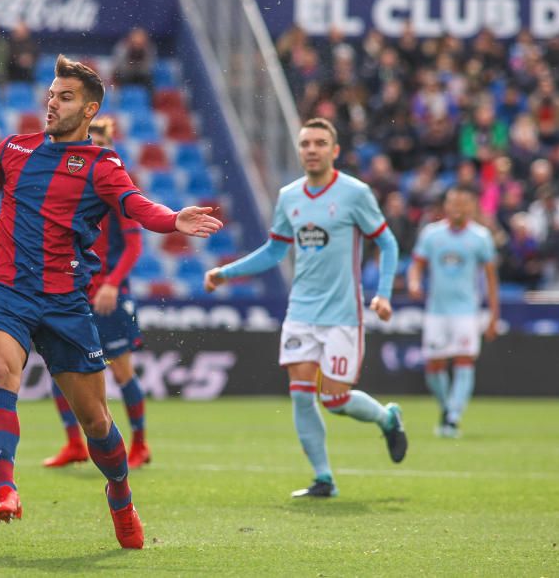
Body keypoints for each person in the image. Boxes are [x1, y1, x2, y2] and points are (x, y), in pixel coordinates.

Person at [0, 55, 222, 549]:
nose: (53, 103)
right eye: (52, 95)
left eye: (66, 97)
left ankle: (120, 494)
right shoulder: (15, 149)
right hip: (6, 289)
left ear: (90, 109)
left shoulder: (102, 165)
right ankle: (5, 489)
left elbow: (138, 207)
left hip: (65, 302)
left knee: (96, 421)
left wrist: (171, 220)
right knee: (2, 372)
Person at [204, 117, 407, 499]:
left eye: (318, 143)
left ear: (334, 151)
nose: (311, 149)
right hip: (301, 312)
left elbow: (389, 244)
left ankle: (386, 417)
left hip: (343, 314)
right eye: (305, 143)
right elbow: (275, 251)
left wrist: (383, 294)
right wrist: (226, 272)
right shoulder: (289, 196)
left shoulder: (355, 193)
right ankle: (323, 478)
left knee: (334, 400)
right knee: (300, 393)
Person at [42, 117, 151, 471]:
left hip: (109, 294)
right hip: (74, 291)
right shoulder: (73, 186)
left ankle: (140, 444)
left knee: (121, 371)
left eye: (101, 141)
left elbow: (135, 245)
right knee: (61, 368)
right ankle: (74, 443)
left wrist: (112, 284)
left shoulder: (119, 187)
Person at [407, 187, 499, 438]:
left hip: (466, 311)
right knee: (434, 367)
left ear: (472, 207)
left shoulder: (480, 237)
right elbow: (417, 265)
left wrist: (493, 314)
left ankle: (453, 417)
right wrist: (414, 282)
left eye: (464, 203)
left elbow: (491, 278)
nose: (458, 207)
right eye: (453, 202)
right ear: (446, 206)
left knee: (463, 360)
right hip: (436, 310)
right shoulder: (432, 234)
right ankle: (447, 408)